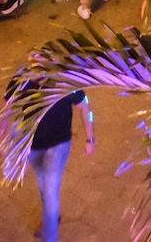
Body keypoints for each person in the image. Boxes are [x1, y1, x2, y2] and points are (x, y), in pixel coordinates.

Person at [23, 88, 93, 242]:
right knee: (43, 184)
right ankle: (51, 218)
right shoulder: (23, 79)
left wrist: (90, 139)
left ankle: (49, 236)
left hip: (59, 145)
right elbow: (8, 104)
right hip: (34, 146)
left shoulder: (64, 80)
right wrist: (1, 136)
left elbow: (85, 106)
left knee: (50, 192)